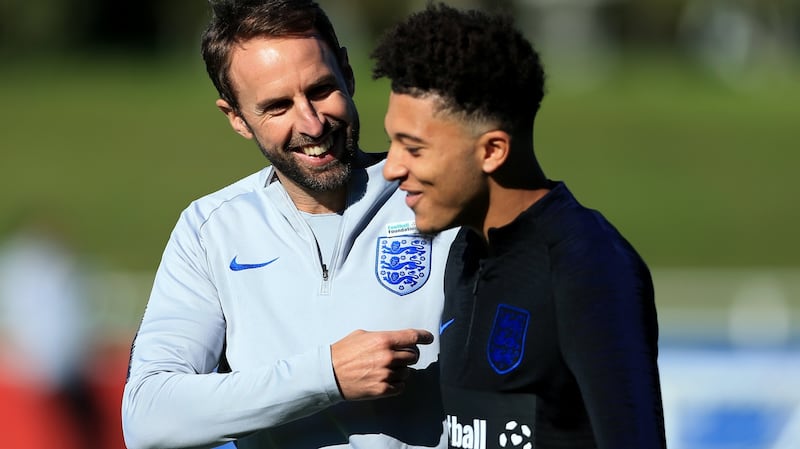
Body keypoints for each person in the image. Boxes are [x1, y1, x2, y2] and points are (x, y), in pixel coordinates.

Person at [121, 1, 455, 448]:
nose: (312, 124)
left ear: (348, 74)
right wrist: (326, 376)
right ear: (237, 118)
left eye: (320, 90)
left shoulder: (444, 203)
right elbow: (148, 417)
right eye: (278, 106)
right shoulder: (211, 229)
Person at [373, 4, 667, 449]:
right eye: (393, 141)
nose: (391, 168)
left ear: (492, 150)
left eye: (413, 149)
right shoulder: (464, 250)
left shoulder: (590, 265)